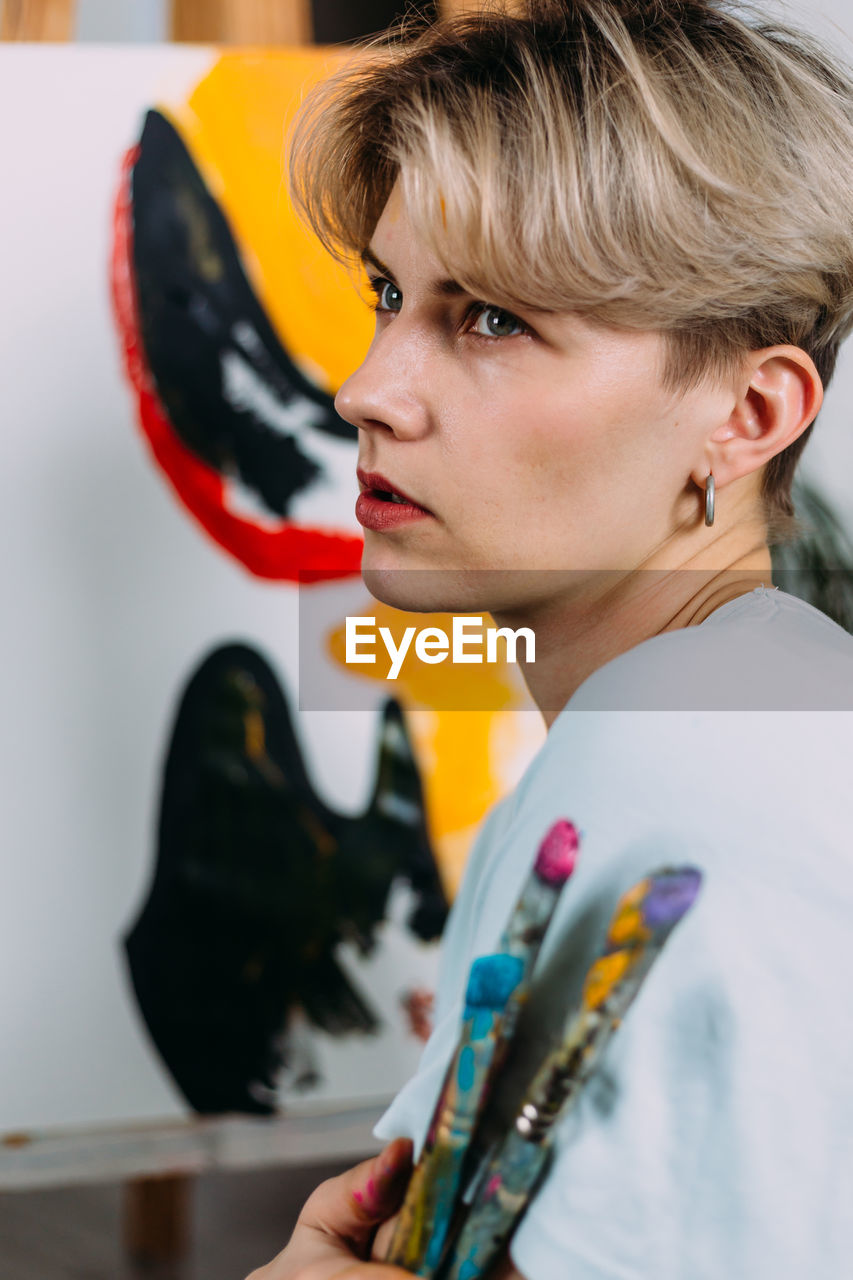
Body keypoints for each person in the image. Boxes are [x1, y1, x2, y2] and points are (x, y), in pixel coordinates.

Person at [248, 1, 853, 1276]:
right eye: (389, 294)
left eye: (491, 320)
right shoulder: (782, 689)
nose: (365, 388)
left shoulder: (657, 765)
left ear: (748, 412)